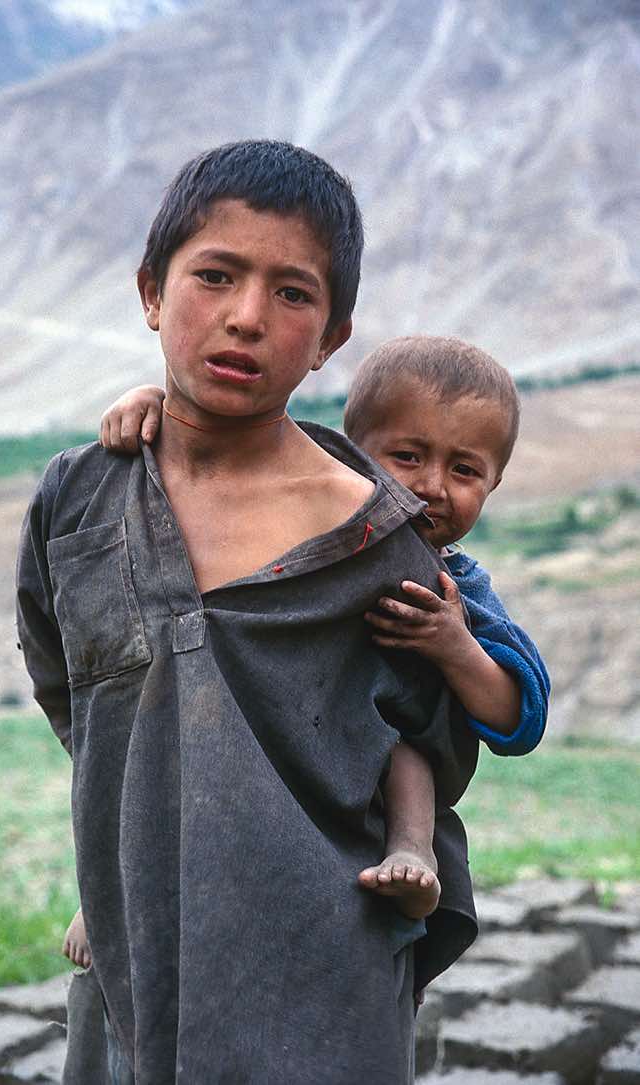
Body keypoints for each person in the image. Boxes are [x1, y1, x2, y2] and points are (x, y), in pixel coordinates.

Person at [17, 140, 479, 1084]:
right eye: (215, 275)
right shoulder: (78, 502)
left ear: (332, 337)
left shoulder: (379, 539)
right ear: (152, 291)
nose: (245, 318)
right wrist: (132, 841)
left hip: (323, 985)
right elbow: (69, 688)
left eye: (292, 293)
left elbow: (433, 738)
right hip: (131, 966)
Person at [85, 335, 549, 955]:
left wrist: (453, 644)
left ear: (494, 483)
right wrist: (152, 406)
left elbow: (519, 716)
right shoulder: (303, 526)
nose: (434, 485)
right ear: (351, 453)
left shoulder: (452, 583)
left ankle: (412, 851)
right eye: (407, 456)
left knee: (404, 737)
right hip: (263, 742)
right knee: (161, 735)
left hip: (369, 779)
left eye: (464, 470)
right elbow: (230, 458)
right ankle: (103, 896)